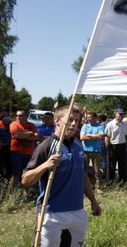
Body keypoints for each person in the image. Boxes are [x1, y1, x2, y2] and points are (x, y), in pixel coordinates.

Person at [22, 105, 101, 246]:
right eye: (69, 120)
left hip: (77, 211)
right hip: (52, 213)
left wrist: (93, 201)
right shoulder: (46, 146)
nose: (73, 124)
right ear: (57, 121)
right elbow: (26, 180)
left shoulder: (78, 146)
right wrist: (45, 165)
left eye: (76, 121)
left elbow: (82, 176)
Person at [9, 110, 40, 193]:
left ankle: (26, 192)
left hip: (29, 153)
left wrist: (22, 136)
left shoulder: (31, 125)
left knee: (27, 174)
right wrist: (30, 133)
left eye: (21, 115)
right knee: (16, 174)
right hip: (16, 152)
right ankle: (12, 193)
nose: (19, 117)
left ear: (26, 116)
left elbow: (37, 137)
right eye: (17, 115)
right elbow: (16, 135)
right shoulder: (13, 124)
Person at [104, 108, 127, 185]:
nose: (121, 116)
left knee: (122, 165)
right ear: (115, 114)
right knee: (112, 166)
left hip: (122, 145)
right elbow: (107, 137)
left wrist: (125, 146)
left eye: (122, 114)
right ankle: (110, 182)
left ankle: (122, 181)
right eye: (119, 114)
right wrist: (109, 149)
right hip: (113, 146)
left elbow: (126, 135)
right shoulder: (110, 124)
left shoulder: (124, 124)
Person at [80, 112, 105, 192]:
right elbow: (82, 137)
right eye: (87, 117)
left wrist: (89, 135)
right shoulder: (85, 126)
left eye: (90, 117)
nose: (88, 119)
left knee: (97, 170)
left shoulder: (100, 126)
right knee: (84, 170)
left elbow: (101, 136)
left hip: (96, 151)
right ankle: (85, 186)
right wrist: (95, 136)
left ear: (94, 118)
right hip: (85, 151)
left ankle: (98, 187)